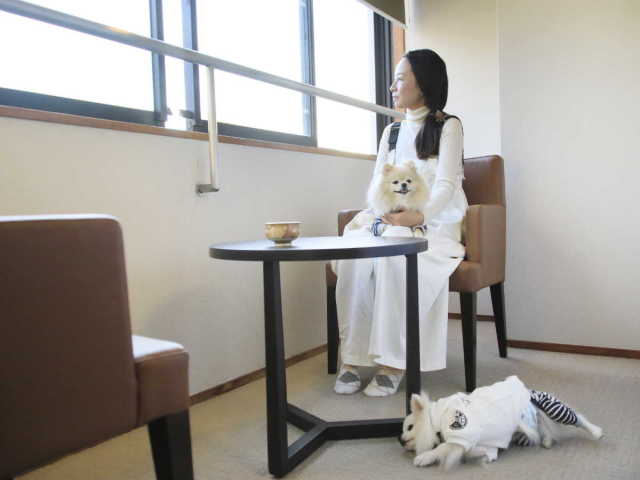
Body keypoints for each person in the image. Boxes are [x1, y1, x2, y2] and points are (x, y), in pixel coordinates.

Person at [333, 49, 468, 397]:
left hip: (432, 222)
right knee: (355, 254)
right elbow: (377, 183)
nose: (393, 87)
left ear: (423, 83)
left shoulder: (448, 126)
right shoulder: (391, 132)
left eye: (400, 79)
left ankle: (394, 362)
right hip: (389, 216)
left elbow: (446, 184)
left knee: (397, 257)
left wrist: (419, 216)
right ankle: (351, 359)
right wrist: (385, 214)